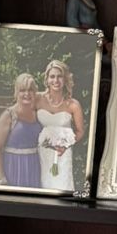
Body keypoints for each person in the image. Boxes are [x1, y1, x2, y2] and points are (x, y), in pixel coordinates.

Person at [37, 59, 84, 193]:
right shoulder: (38, 99)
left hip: (63, 154)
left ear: (65, 79)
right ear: (47, 79)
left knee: (62, 186)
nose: (56, 80)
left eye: (60, 76)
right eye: (52, 76)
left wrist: (65, 145)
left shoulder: (73, 105)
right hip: (42, 152)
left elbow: (80, 131)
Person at [0, 73, 41, 189]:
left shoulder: (38, 113)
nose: (27, 94)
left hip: (33, 167)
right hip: (12, 167)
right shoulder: (8, 115)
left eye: (30, 90)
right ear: (16, 92)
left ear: (35, 92)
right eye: (22, 90)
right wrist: (2, 178)